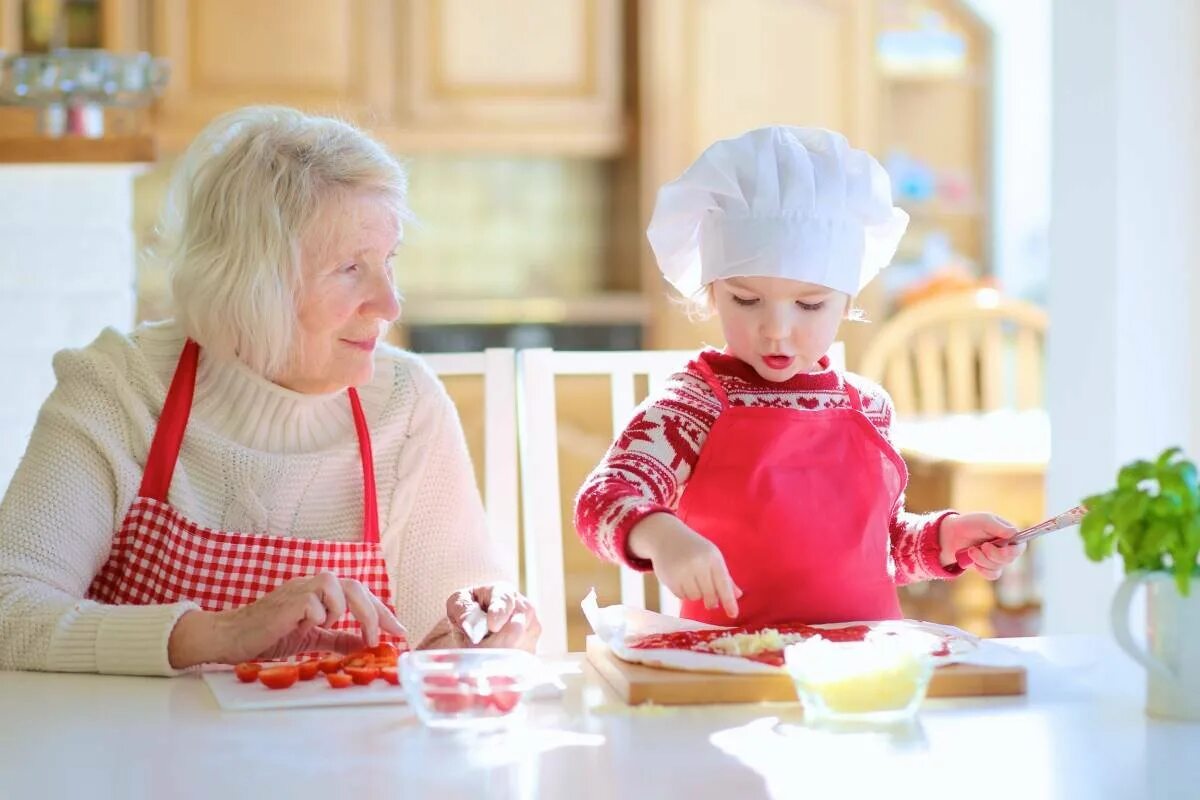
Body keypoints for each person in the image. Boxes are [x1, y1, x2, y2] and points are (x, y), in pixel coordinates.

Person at [0, 106, 539, 675]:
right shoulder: (120, 389)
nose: (390, 305)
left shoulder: (407, 406)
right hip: (135, 760)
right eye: (351, 269)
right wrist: (219, 634)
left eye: (388, 262)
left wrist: (492, 630)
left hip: (349, 763)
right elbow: (9, 612)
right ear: (250, 285)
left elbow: (448, 635)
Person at [574, 126, 1024, 627]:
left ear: (848, 301)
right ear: (711, 293)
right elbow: (602, 501)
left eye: (809, 305)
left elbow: (883, 548)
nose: (776, 330)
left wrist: (944, 539)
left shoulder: (868, 407)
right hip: (727, 669)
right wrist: (661, 535)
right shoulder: (692, 405)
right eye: (746, 300)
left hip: (860, 671)